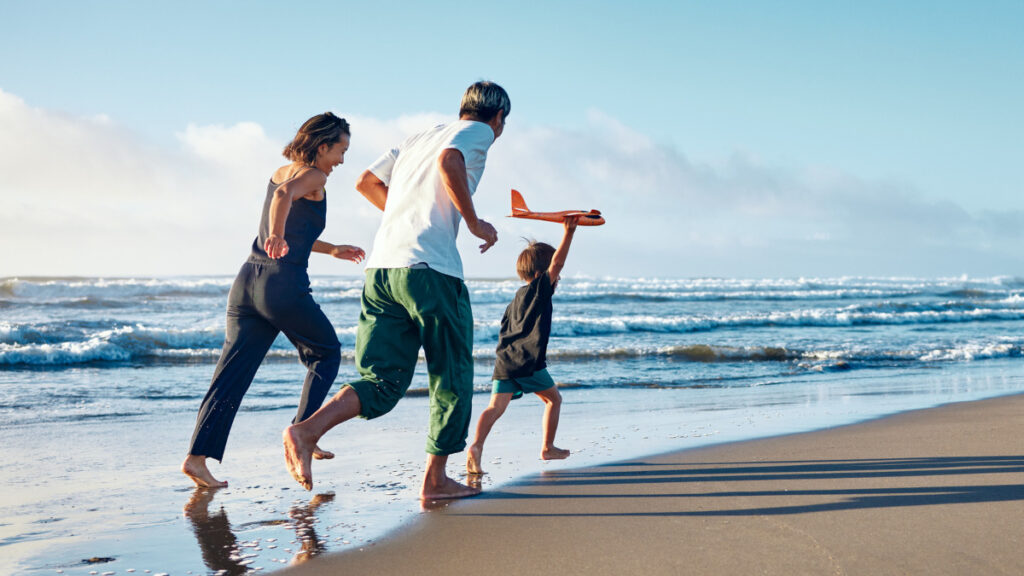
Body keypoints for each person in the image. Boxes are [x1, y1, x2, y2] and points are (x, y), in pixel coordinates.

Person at [281, 81, 509, 500]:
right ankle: (436, 481)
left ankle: (306, 430)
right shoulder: (478, 131)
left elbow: (366, 181)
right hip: (431, 271)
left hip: (383, 269)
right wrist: (473, 222)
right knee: (452, 374)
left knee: (381, 379)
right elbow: (450, 160)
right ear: (497, 118)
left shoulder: (416, 136)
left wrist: (411, 213)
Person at [182, 112, 366, 488]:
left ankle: (196, 459)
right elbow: (283, 207)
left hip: (248, 280)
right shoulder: (314, 176)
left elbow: (283, 217)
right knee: (326, 353)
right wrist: (280, 236)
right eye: (340, 150)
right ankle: (305, 434)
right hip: (281, 284)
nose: (342, 161)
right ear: (322, 145)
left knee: (231, 374)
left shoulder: (283, 171)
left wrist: (331, 250)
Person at [466, 216, 579, 475]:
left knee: (494, 407)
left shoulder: (515, 298)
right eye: (555, 275)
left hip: (504, 361)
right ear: (542, 274)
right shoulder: (540, 289)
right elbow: (558, 262)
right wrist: (569, 233)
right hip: (528, 363)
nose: (557, 278)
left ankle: (476, 446)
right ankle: (548, 447)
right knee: (554, 400)